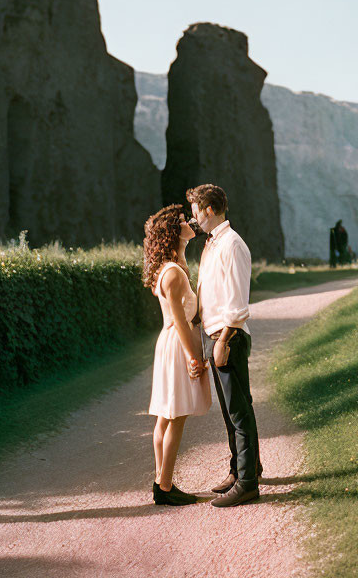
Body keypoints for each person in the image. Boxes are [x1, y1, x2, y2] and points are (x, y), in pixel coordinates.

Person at [187, 184, 262, 507]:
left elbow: (237, 300)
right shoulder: (212, 244)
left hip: (226, 336)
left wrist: (224, 340)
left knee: (239, 412)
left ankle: (247, 484)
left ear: (209, 210)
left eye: (195, 211)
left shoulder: (232, 245)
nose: (193, 219)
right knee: (232, 412)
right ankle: (242, 468)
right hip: (212, 333)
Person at [143, 204, 212, 506]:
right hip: (176, 343)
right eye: (183, 221)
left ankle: (162, 480)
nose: (190, 223)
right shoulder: (172, 272)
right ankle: (165, 486)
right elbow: (180, 321)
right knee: (175, 416)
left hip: (171, 341)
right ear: (173, 231)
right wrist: (194, 357)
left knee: (165, 416)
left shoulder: (174, 265)